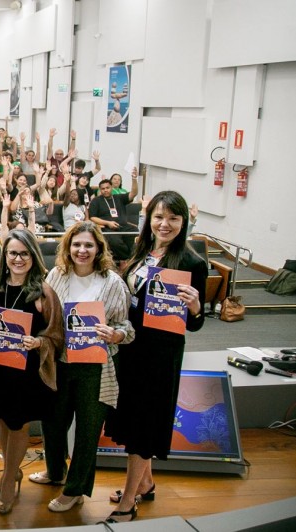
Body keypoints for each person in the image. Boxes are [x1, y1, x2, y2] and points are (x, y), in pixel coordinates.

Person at [103, 191, 206, 523]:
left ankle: (129, 498)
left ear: (183, 222)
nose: (165, 224)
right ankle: (145, 484)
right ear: (149, 218)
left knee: (143, 426)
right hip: (131, 348)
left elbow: (195, 324)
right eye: (159, 217)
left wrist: (195, 307)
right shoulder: (142, 250)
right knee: (132, 419)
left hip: (159, 356)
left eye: (174, 218)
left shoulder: (191, 262)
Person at [28, 221, 134, 513]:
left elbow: (126, 326)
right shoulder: (57, 275)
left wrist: (117, 334)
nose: (82, 250)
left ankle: (74, 490)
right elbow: (48, 314)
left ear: (99, 248)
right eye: (76, 245)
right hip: (60, 363)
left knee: (88, 430)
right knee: (52, 421)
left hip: (95, 367)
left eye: (89, 245)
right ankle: (55, 472)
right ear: (68, 248)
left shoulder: (112, 282)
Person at [0, 228, 64, 515]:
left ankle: (8, 482)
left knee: (19, 423)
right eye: (13, 253)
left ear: (33, 256)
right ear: (4, 256)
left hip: (27, 370)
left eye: (24, 253)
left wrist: (39, 341)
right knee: (3, 418)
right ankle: (10, 472)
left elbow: (56, 335)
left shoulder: (44, 292)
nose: (18, 258)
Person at [88, 168, 139, 261]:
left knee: (135, 231)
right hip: (107, 228)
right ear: (100, 190)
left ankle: (133, 259)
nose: (105, 190)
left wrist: (134, 179)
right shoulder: (96, 201)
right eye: (103, 189)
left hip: (123, 226)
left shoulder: (119, 197)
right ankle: (126, 259)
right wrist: (108, 223)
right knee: (115, 242)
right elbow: (92, 217)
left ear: (111, 188)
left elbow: (133, 193)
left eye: (107, 188)